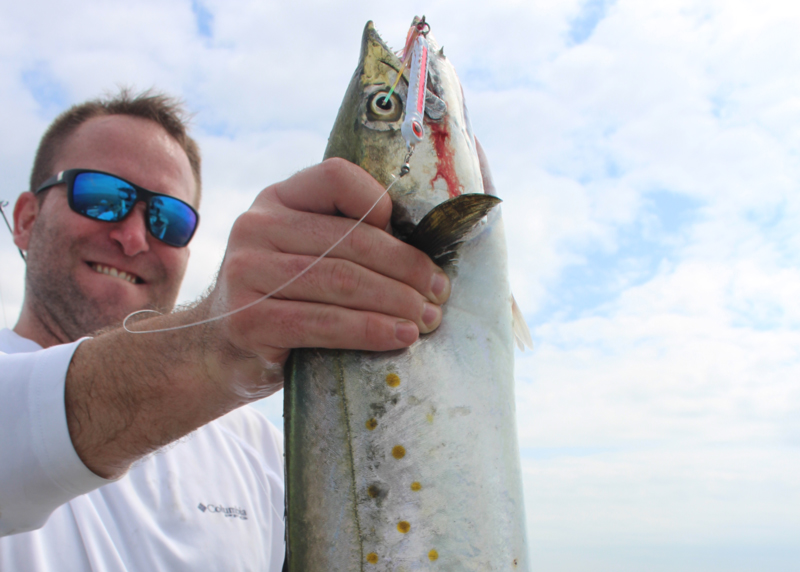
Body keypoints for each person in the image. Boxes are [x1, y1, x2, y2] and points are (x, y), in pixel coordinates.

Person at [0, 89, 451, 570]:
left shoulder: (261, 451)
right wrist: (215, 344)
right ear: (26, 219)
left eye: (167, 219)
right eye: (101, 198)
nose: (133, 237)